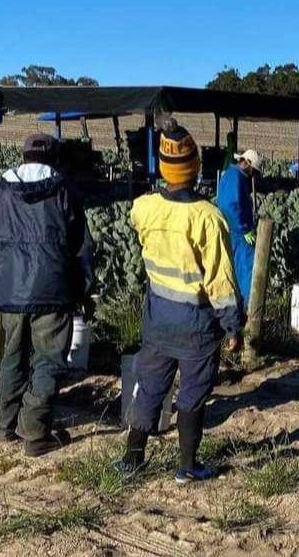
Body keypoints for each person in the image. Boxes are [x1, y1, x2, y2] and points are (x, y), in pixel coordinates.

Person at [116, 122, 243, 482]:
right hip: (196, 325)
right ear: (196, 166)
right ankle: (187, 465)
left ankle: (132, 459)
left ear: (162, 167)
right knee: (192, 394)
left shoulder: (144, 208)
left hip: (158, 320)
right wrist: (233, 325)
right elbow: (220, 279)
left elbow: (140, 228)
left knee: (149, 387)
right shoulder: (207, 217)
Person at [0, 133, 95, 457]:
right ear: (54, 158)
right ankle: (34, 430)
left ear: (24, 155)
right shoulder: (65, 189)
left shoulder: (1, 190)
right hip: (53, 289)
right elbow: (81, 245)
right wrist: (85, 288)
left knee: (12, 357)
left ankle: (4, 427)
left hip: (10, 291)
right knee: (50, 359)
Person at [217, 149, 265, 308]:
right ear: (247, 164)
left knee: (236, 272)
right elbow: (230, 205)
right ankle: (247, 310)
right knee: (247, 271)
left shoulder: (232, 175)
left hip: (233, 231)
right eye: (254, 171)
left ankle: (239, 308)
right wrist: (244, 229)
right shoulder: (235, 177)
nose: (254, 175)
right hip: (237, 234)